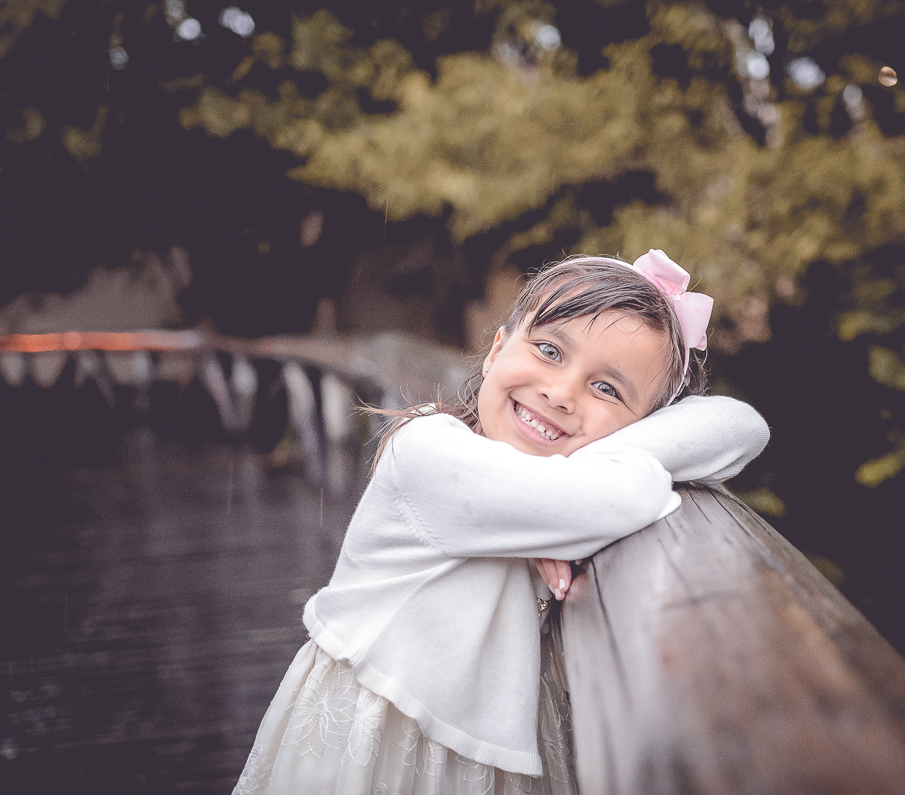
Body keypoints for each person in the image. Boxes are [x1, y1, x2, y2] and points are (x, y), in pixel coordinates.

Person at [231, 251, 770, 795]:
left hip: (478, 757)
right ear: (495, 351)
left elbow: (741, 426)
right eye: (549, 350)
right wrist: (581, 494)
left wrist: (565, 496)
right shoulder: (428, 451)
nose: (560, 394)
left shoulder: (542, 491)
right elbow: (626, 496)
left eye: (607, 389)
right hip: (374, 743)